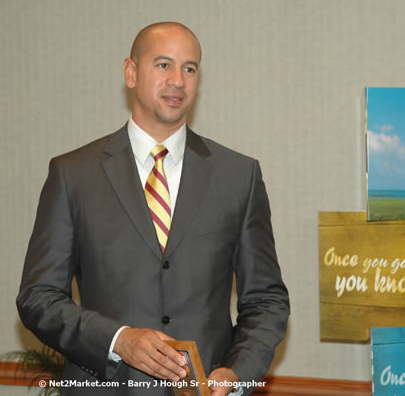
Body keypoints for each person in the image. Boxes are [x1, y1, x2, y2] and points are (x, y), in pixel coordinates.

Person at [16, 22, 289, 396]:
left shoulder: (239, 176)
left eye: (189, 68)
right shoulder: (72, 175)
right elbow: (38, 298)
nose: (178, 80)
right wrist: (118, 340)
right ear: (130, 72)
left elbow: (267, 300)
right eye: (163, 65)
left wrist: (237, 374)